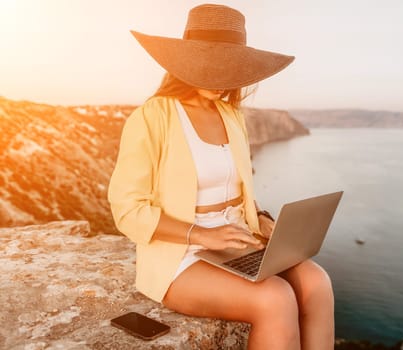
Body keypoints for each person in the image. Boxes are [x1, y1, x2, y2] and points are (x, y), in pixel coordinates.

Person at [108, 4, 334, 349]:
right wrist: (202, 234)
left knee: (317, 283)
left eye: (230, 69)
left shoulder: (232, 116)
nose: (222, 80)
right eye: (212, 68)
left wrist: (260, 218)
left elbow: (235, 188)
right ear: (186, 63)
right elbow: (127, 211)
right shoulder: (152, 117)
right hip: (180, 254)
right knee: (275, 298)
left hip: (238, 239)